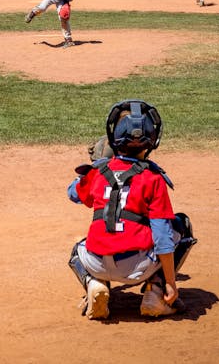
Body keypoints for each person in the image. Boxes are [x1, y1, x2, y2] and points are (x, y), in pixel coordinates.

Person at [67, 99, 197, 321]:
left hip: (96, 263)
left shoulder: (97, 172)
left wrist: (98, 164)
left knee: (77, 249)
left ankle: (94, 284)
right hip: (137, 266)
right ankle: (155, 292)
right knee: (180, 225)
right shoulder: (152, 178)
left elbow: (73, 193)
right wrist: (171, 284)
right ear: (152, 140)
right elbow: (163, 239)